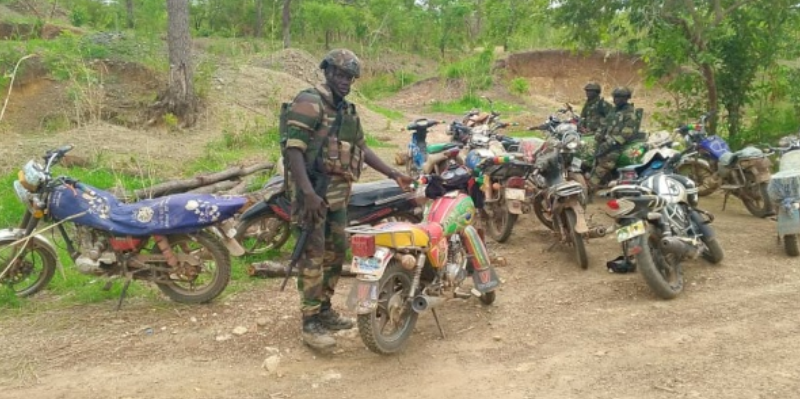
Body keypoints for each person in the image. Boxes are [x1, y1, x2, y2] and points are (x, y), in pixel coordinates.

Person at [283, 49, 414, 351]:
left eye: (350, 77)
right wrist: (308, 193)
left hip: (338, 197)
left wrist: (394, 174)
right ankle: (310, 321)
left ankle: (325, 309)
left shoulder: (348, 110)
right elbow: (294, 151)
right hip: (312, 196)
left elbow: (362, 149)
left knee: (337, 252)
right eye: (340, 75)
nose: (345, 81)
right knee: (312, 256)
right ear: (327, 72)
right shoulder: (309, 101)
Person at [590, 86, 643, 188]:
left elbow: (627, 134)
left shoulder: (630, 114)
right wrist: (599, 134)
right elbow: (604, 124)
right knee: (593, 159)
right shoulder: (613, 111)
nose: (615, 100)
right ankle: (601, 183)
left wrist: (611, 143)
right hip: (606, 142)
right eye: (615, 97)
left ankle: (591, 186)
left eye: (618, 97)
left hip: (618, 145)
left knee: (604, 165)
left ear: (625, 98)